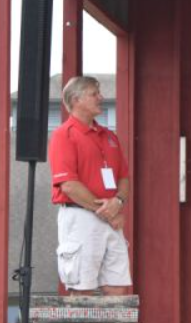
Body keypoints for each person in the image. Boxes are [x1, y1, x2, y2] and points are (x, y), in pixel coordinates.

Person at [48, 76, 131, 296]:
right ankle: (83, 322)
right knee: (82, 286)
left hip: (111, 215)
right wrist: (108, 212)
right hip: (81, 217)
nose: (101, 97)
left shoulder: (109, 136)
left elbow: (124, 178)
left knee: (117, 285)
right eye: (94, 94)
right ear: (76, 100)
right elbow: (69, 185)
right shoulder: (63, 135)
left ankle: (112, 322)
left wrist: (118, 201)